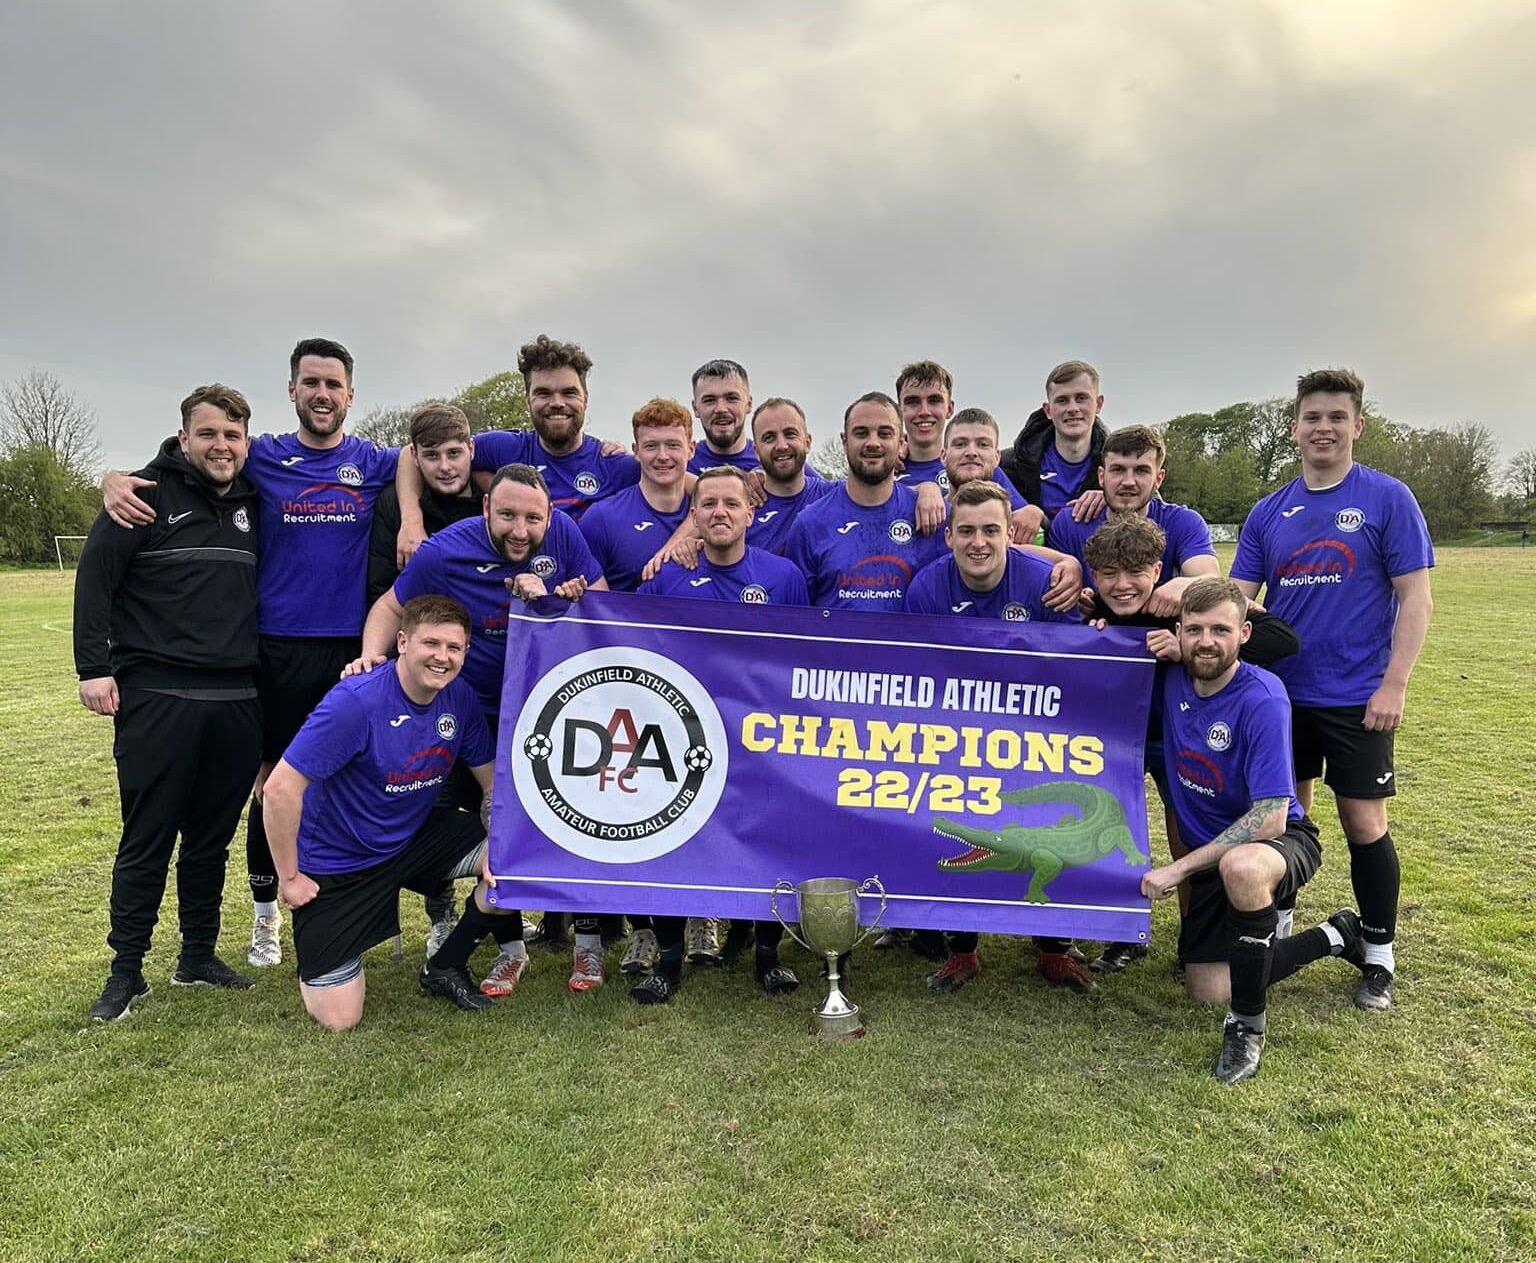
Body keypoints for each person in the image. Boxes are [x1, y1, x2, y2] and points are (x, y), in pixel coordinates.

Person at [103, 338, 399, 969]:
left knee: (343, 785)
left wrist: (416, 519)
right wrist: (116, 478)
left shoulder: (375, 461)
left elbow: (444, 456)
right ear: (292, 390)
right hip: (272, 650)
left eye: (334, 384)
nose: (322, 394)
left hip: (349, 652)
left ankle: (341, 911)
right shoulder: (259, 454)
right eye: (311, 382)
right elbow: (190, 452)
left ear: (351, 395)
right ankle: (265, 915)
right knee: (272, 787)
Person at [356, 463, 605, 995]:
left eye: (533, 519)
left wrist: (563, 596)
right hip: (472, 715)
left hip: (550, 706)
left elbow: (603, 609)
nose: (520, 530)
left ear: (550, 516)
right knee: (491, 831)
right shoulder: (444, 551)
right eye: (508, 515)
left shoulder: (564, 534)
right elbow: (391, 606)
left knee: (575, 818)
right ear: (486, 506)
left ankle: (589, 945)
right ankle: (510, 950)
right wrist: (370, 658)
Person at [1230, 368, 1434, 1011]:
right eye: (1313, 417)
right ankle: (1281, 922)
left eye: (1337, 417)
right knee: (1284, 816)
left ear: (1357, 425)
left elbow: (1416, 599)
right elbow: (1236, 601)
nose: (1324, 428)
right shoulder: (1269, 510)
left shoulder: (1387, 498)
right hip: (1280, 699)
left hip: (1357, 697)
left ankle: (1378, 951)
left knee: (1363, 822)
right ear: (1294, 427)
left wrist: (1394, 685)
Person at [74, 385, 265, 1021]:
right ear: (183, 438)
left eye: (232, 435)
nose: (221, 446)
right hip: (158, 695)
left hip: (237, 697)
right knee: (148, 836)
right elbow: (94, 578)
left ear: (246, 442)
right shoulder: (141, 496)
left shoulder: (255, 497)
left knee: (211, 839)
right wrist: (92, 669)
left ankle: (197, 956)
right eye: (207, 434)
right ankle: (126, 971)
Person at [1139, 578, 1366, 1083]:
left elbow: (1269, 818)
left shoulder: (1263, 696)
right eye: (1195, 630)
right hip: (1213, 854)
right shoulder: (1172, 678)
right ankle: (1335, 935)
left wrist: (1178, 869)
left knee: (1240, 867)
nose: (1206, 642)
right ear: (1178, 632)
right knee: (1206, 989)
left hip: (1278, 840)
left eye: (1220, 630)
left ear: (1244, 633)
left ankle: (1246, 1028)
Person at [263, 596, 521, 1030]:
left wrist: (499, 844)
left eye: (454, 648)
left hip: (412, 838)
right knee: (340, 1018)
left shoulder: (459, 698)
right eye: (431, 644)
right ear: (402, 642)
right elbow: (278, 790)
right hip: (340, 861)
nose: (442, 657)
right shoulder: (356, 702)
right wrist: (289, 878)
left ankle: (445, 964)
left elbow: (492, 784)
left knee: (517, 860)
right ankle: (325, 947)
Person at [1078, 515, 1300, 974]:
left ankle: (1190, 936)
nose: (1123, 585)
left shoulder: (1179, 607)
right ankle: (1121, 932)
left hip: (1175, 739)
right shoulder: (1092, 608)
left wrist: (1186, 641)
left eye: (1136, 573)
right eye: (1109, 574)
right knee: (1106, 828)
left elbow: (1282, 639)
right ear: (1094, 576)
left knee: (1183, 835)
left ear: (1157, 572)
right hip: (1113, 741)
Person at [632, 466, 809, 1003]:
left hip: (760, 737)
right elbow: (639, 648)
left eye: (731, 503)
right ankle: (668, 962)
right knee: (672, 842)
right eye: (708, 504)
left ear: (750, 513)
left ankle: (768, 957)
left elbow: (803, 657)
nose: (720, 512)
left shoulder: (782, 577)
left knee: (767, 843)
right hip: (685, 734)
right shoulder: (668, 577)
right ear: (694, 515)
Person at [902, 480, 1084, 993]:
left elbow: (1076, 664)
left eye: (989, 530)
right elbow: (918, 671)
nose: (978, 542)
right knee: (956, 826)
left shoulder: (1044, 580)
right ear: (949, 537)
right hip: (958, 731)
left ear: (1009, 534)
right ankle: (962, 950)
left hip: (1038, 730)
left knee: (1051, 826)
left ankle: (1054, 949)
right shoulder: (927, 588)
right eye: (966, 531)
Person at [365, 402, 485, 954]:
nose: (445, 465)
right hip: (421, 674)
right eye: (432, 456)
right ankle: (438, 914)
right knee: (426, 793)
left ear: (471, 450)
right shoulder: (396, 505)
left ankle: (506, 911)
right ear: (416, 458)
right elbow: (384, 596)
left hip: (484, 674)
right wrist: (379, 661)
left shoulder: (489, 492)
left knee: (483, 794)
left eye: (454, 453)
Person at [396, 335, 640, 538]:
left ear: (585, 398)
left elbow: (666, 479)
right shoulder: (505, 448)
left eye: (569, 393)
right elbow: (411, 453)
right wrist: (411, 521)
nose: (557, 402)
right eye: (543, 393)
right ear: (527, 400)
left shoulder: (616, 465)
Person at [782, 391, 948, 610]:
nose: (873, 442)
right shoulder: (809, 524)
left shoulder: (936, 516)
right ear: (844, 441)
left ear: (901, 442)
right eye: (861, 433)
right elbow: (796, 618)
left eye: (884, 433)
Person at [1046, 424, 1218, 613]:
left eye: (1141, 471)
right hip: (1087, 630)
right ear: (1101, 476)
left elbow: (1210, 579)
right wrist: (1071, 594)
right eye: (1118, 470)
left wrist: (1186, 585)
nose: (1128, 482)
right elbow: (1047, 581)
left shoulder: (1183, 522)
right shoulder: (1071, 522)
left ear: (1158, 479)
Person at [894, 363, 1042, 541]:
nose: (924, 411)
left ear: (949, 408)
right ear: (899, 410)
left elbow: (1021, 518)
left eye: (934, 401)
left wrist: (1035, 512)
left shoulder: (978, 468)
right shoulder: (887, 468)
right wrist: (922, 489)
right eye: (912, 402)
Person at [579, 397, 694, 593]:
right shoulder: (602, 519)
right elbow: (588, 603)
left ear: (691, 449)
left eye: (673, 445)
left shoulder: (714, 515)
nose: (663, 456)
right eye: (651, 446)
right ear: (636, 451)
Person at [999, 359, 1110, 523]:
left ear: (1098, 404)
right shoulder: (1008, 465)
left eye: (1081, 398)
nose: (1072, 409)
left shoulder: (1118, 468)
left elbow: (1146, 508)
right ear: (1048, 410)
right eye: (1062, 400)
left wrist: (1113, 499)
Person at [744, 397, 836, 555]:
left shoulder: (835, 496)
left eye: (790, 434)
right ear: (756, 451)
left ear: (807, 443)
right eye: (769, 438)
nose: (781, 446)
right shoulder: (742, 511)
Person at [687, 359, 760, 474]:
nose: (721, 409)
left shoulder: (767, 463)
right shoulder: (683, 465)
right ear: (695, 408)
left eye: (732, 398)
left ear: (749, 404)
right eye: (709, 400)